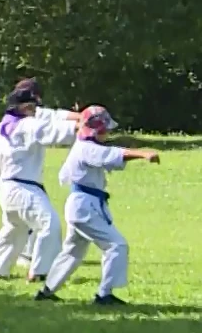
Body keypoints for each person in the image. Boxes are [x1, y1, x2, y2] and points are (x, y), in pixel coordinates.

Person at [37, 106, 160, 306]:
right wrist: (142, 154)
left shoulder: (82, 146)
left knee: (73, 251)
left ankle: (47, 291)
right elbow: (111, 155)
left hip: (81, 204)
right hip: (85, 206)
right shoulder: (87, 149)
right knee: (116, 245)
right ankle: (104, 295)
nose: (108, 133)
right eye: (106, 130)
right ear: (97, 130)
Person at [0, 87, 81, 283]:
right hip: (25, 188)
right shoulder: (28, 125)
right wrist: (82, 126)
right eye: (34, 107)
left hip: (6, 187)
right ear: (26, 107)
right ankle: (40, 271)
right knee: (49, 225)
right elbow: (53, 131)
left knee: (14, 228)